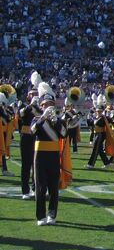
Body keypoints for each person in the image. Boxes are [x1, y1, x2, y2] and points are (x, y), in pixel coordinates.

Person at [31, 91, 70, 225]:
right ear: (41, 107)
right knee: (40, 186)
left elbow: (64, 135)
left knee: (54, 186)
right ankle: (40, 216)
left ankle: (52, 214)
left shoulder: (58, 121)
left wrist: (56, 123)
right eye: (46, 105)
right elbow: (33, 131)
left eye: (51, 105)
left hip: (53, 155)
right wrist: (43, 118)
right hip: (40, 155)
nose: (48, 107)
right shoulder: (36, 119)